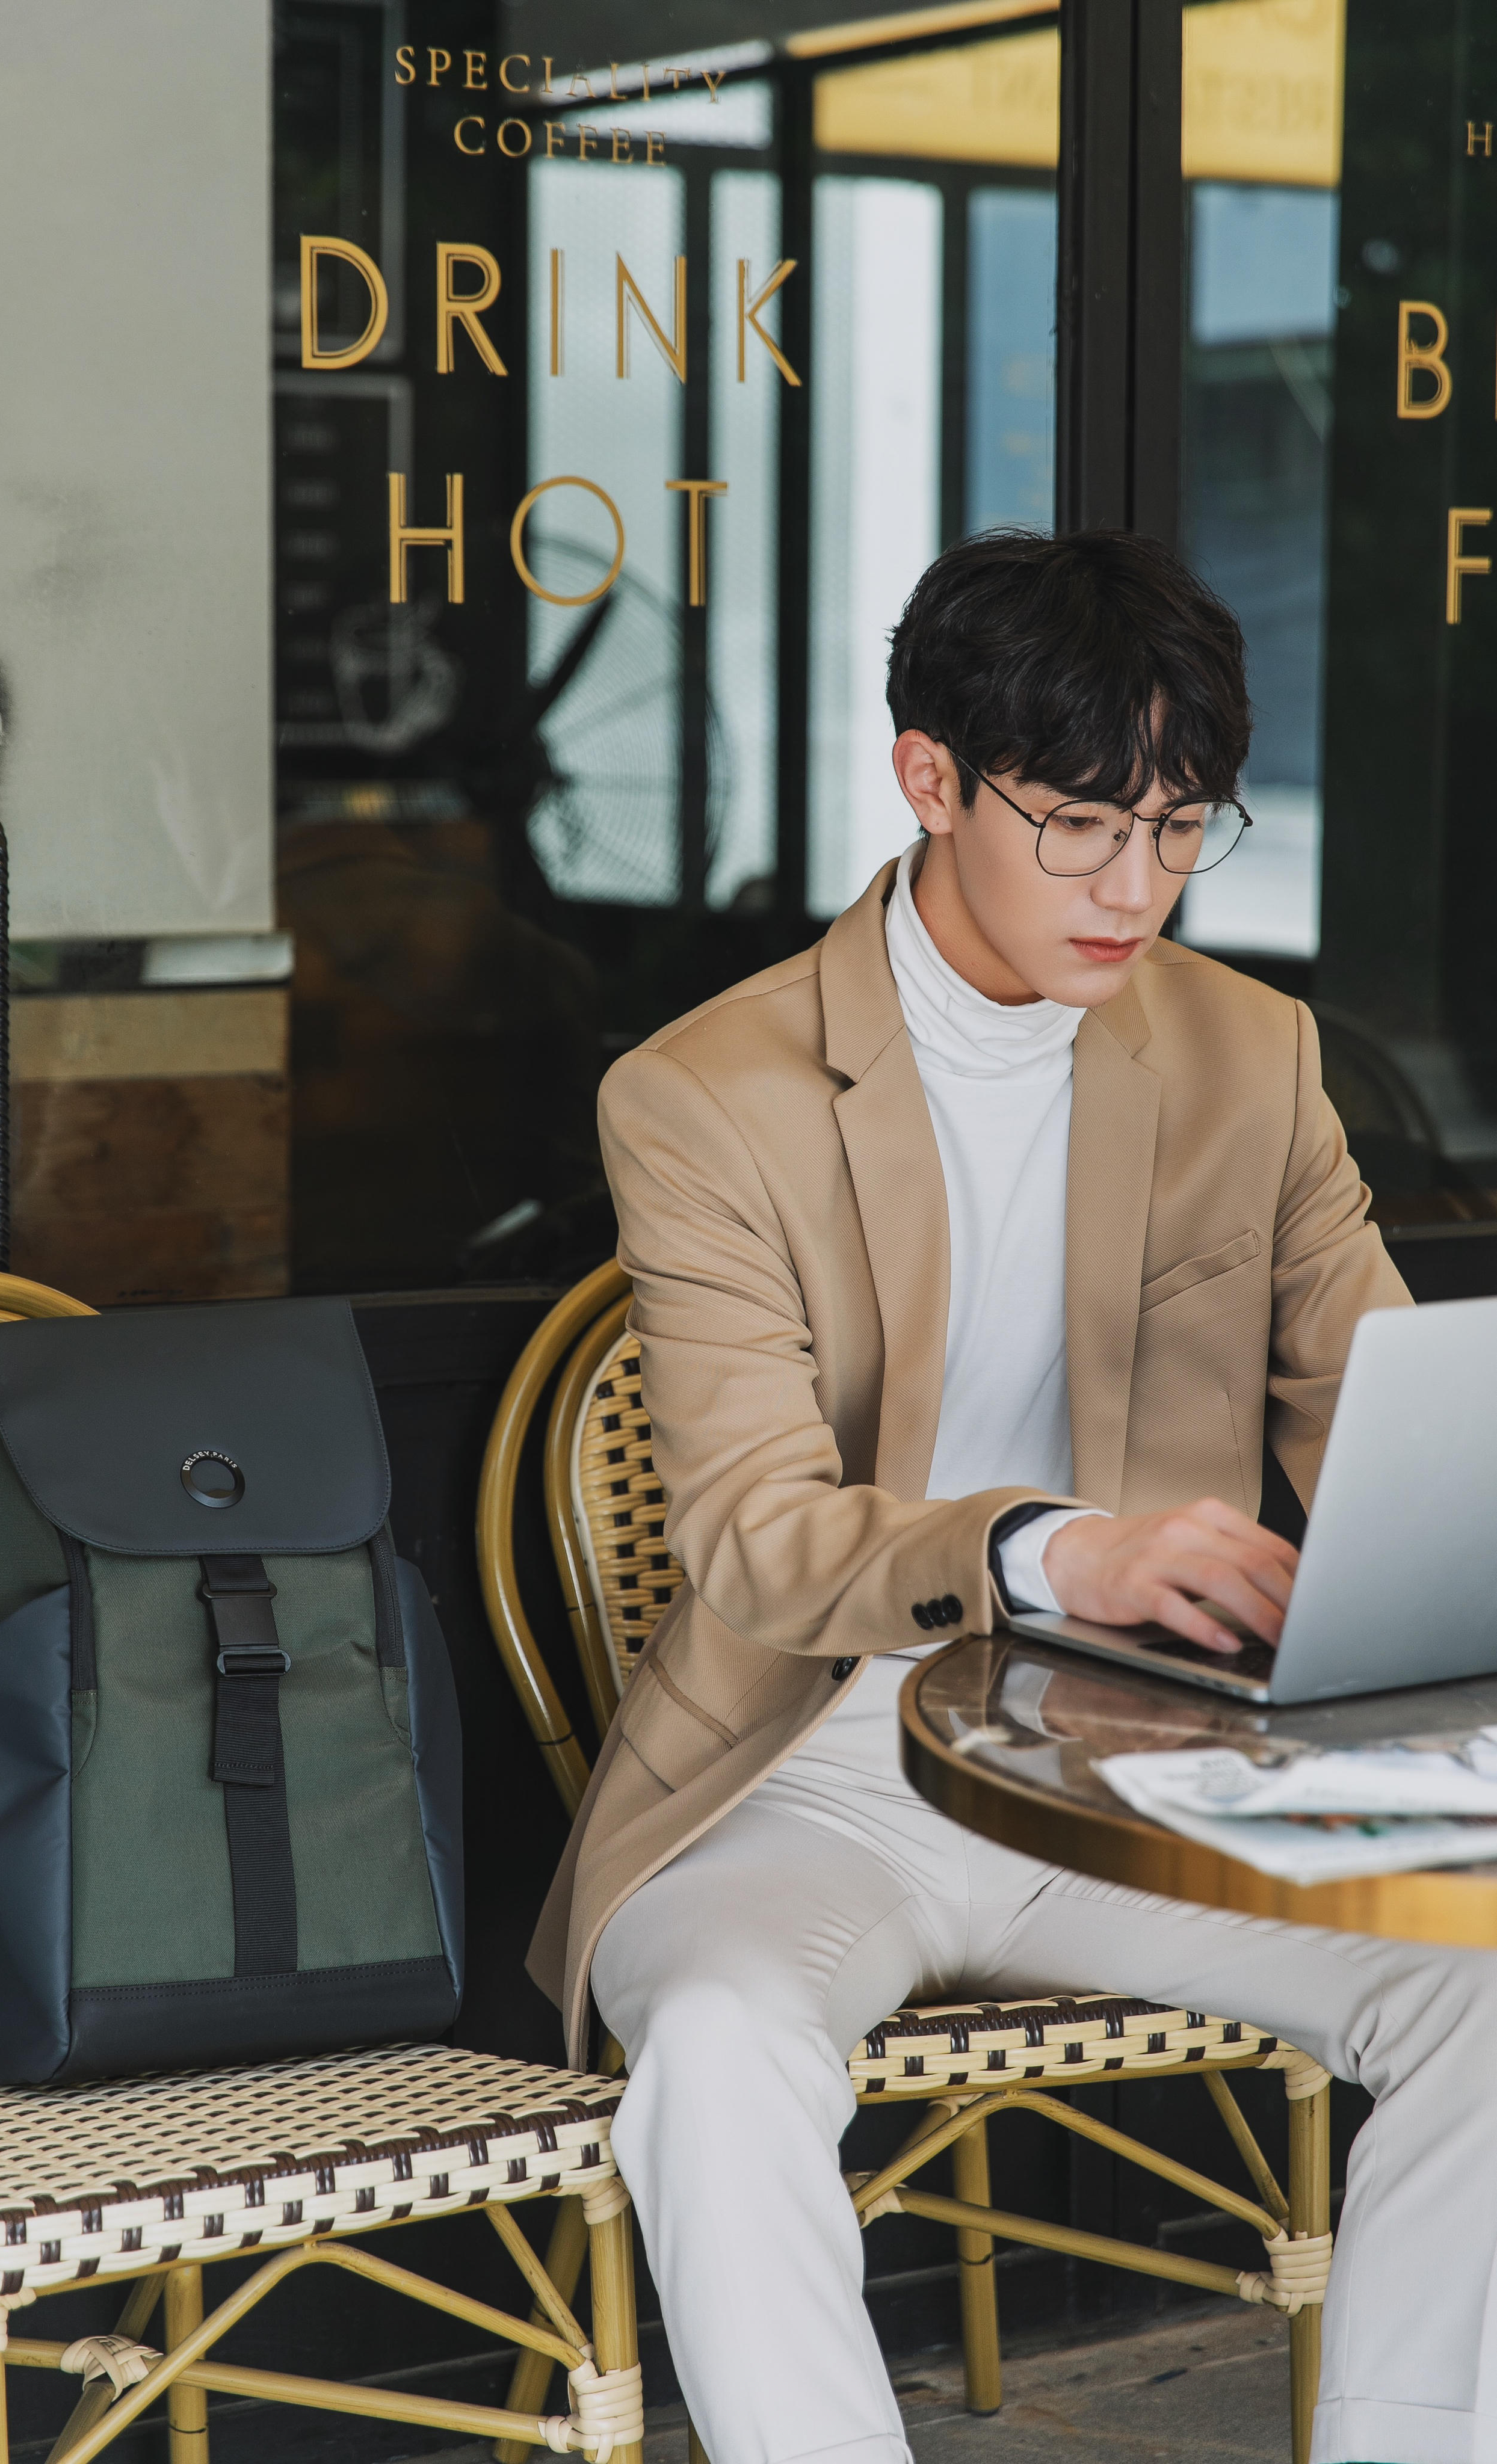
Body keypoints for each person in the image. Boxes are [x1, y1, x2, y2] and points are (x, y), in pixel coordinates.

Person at [528, 530, 1496, 2464]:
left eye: (1179, 828)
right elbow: (752, 1533)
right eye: (1077, 828)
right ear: (929, 779)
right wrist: (1060, 1553)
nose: (1134, 888)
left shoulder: (1248, 1054)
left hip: (1150, 1766)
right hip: (814, 1771)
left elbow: (1381, 1409)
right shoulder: (705, 1095)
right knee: (712, 2045)